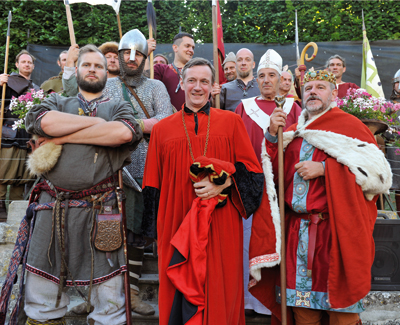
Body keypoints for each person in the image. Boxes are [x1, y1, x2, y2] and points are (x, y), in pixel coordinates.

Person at [248, 70, 392, 324]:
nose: (312, 91)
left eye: (320, 87)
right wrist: (272, 136)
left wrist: (326, 170)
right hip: (297, 235)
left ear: (334, 93)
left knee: (342, 315)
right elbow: (272, 177)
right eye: (308, 87)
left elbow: (378, 178)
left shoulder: (351, 128)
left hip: (336, 234)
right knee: (304, 313)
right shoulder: (291, 131)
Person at [18, 44, 143, 325]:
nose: (92, 69)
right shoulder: (57, 101)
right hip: (52, 207)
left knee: (109, 291)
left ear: (106, 73)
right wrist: (98, 127)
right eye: (86, 65)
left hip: (102, 209)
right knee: (42, 287)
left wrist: (63, 136)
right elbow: (45, 123)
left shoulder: (118, 106)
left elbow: (123, 132)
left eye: (98, 66)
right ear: (77, 69)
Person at [142, 57, 264, 324]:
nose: (198, 87)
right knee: (178, 286)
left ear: (213, 86)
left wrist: (225, 182)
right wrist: (153, 232)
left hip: (221, 222)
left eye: (204, 82)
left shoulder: (231, 122)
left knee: (221, 285)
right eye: (192, 80)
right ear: (182, 84)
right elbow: (152, 183)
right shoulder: (162, 130)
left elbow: (253, 174)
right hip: (176, 221)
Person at [103, 28, 174, 316]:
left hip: (145, 170)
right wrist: (141, 125)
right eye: (126, 54)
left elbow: (165, 122)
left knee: (134, 233)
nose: (131, 59)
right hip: (109, 169)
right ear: (119, 56)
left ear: (145, 58)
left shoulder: (156, 87)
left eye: (137, 55)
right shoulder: (106, 87)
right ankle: (98, 293)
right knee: (105, 232)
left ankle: (131, 293)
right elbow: (100, 122)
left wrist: (128, 125)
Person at [235, 49, 301, 317]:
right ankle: (248, 300)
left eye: (271, 75)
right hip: (252, 184)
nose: (266, 80)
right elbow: (237, 144)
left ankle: (271, 302)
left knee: (279, 242)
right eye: (261, 75)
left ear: (280, 78)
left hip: (281, 186)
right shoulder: (244, 106)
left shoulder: (292, 108)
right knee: (249, 241)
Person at [0, 50, 39, 221]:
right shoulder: (7, 82)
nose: (26, 64)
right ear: (17, 64)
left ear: (33, 65)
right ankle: (0, 207)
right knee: (3, 172)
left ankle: (16, 214)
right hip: (8, 133)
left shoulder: (36, 89)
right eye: (23, 62)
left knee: (22, 176)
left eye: (29, 62)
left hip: (27, 134)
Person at [153, 32, 195, 110]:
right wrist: (146, 52)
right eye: (187, 46)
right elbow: (146, 83)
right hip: (168, 119)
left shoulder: (198, 72)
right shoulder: (161, 69)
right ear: (175, 48)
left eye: (193, 47)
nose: (191, 50)